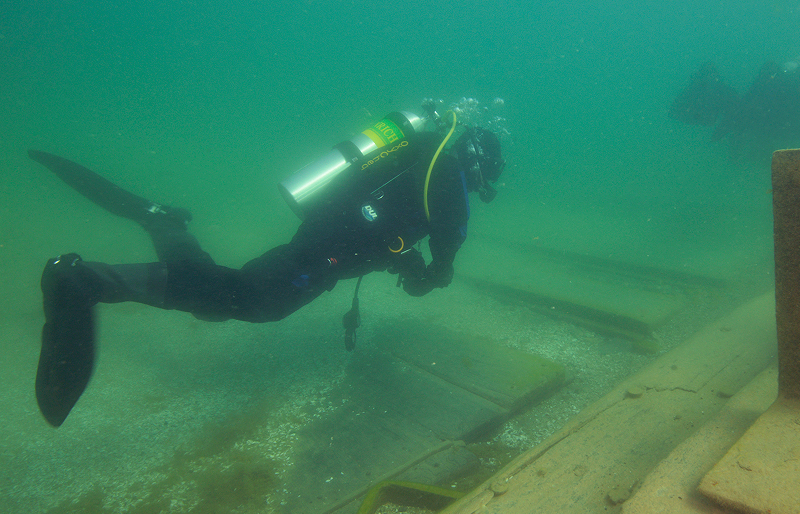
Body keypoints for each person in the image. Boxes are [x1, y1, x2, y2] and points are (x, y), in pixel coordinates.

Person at [31, 105, 506, 427]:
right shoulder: (451, 180)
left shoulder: (422, 157)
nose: (484, 185)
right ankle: (88, 280)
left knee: (221, 300)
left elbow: (388, 218)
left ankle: (164, 221)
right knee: (253, 300)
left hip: (326, 231)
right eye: (488, 177)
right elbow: (447, 248)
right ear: (479, 162)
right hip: (331, 247)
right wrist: (431, 274)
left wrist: (401, 257)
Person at [670, 58, 800, 161]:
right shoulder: (786, 87)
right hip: (779, 123)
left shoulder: (779, 86)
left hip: (776, 122)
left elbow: (742, 110)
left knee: (749, 121)